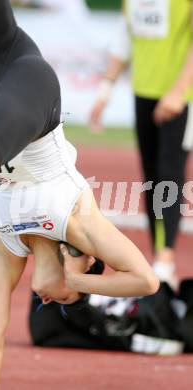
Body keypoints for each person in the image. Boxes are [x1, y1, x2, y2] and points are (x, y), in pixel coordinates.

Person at [0, 2, 159, 389]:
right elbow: (146, 282)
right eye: (62, 301)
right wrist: (76, 285)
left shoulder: (8, 246)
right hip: (33, 85)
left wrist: (73, 284)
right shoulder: (79, 223)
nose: (49, 301)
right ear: (84, 260)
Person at [90, 0, 193, 290]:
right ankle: (158, 260)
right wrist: (104, 91)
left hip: (183, 97)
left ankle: (165, 260)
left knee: (169, 171)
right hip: (143, 92)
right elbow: (124, 38)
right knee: (150, 175)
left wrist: (178, 91)